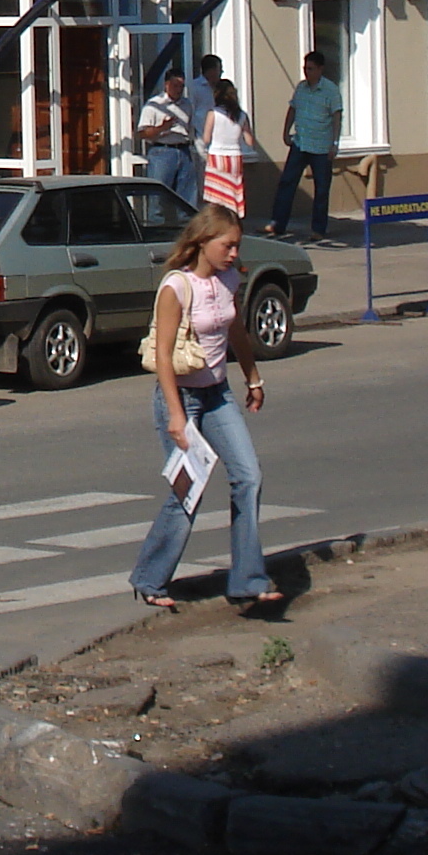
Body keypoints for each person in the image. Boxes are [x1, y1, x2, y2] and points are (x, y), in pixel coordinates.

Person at [130, 204, 276, 613]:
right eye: (227, 246)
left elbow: (236, 330)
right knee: (187, 490)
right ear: (202, 242)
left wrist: (253, 377)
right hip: (182, 398)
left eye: (237, 246)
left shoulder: (228, 279)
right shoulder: (176, 287)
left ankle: (247, 580)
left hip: (218, 394)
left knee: (249, 476)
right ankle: (150, 578)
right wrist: (177, 416)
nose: (233, 254)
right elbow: (162, 356)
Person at [269, 49, 345, 243]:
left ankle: (318, 229)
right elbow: (292, 108)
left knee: (321, 189)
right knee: (287, 183)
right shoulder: (301, 88)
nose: (306, 72)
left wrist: (335, 143)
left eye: (310, 68)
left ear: (320, 69)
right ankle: (278, 224)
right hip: (300, 143)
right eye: (305, 68)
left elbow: (336, 117)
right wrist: (286, 131)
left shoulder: (330, 90)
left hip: (321, 147)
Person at [136, 70, 201, 212]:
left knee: (188, 195)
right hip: (162, 151)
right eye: (175, 85)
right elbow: (142, 133)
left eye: (181, 86)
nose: (178, 90)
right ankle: (156, 225)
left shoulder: (187, 104)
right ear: (166, 85)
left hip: (183, 150)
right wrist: (163, 127)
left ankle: (187, 226)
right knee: (158, 195)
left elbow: (191, 128)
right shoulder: (154, 105)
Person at [199, 81, 257, 223]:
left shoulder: (213, 114)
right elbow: (250, 141)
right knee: (233, 190)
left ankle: (217, 222)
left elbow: (206, 138)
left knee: (216, 195)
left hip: (217, 155)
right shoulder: (241, 115)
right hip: (234, 157)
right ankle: (233, 220)